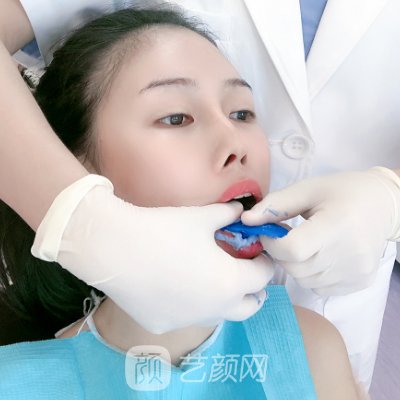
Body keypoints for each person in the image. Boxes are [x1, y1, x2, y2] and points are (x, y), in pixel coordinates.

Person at [2, 0, 400, 389]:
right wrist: (77, 217)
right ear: (78, 165)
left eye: (242, 114)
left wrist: (389, 196)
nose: (236, 144)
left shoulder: (315, 352)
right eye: (176, 118)